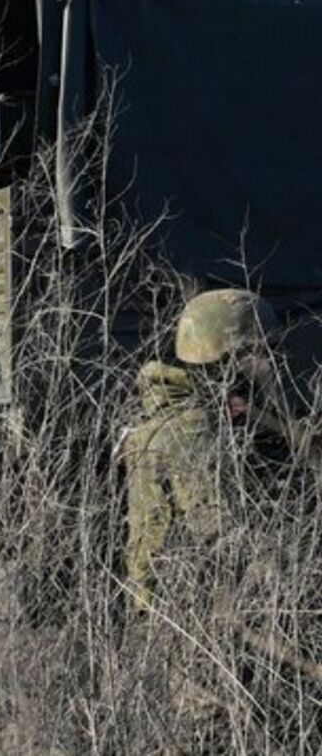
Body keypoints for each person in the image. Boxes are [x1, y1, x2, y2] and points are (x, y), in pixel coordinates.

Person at [119, 289, 317, 745]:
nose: (271, 359)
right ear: (230, 357)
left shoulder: (172, 414)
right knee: (215, 732)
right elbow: (221, 531)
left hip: (181, 607)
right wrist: (288, 583)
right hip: (197, 613)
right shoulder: (192, 427)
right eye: (260, 351)